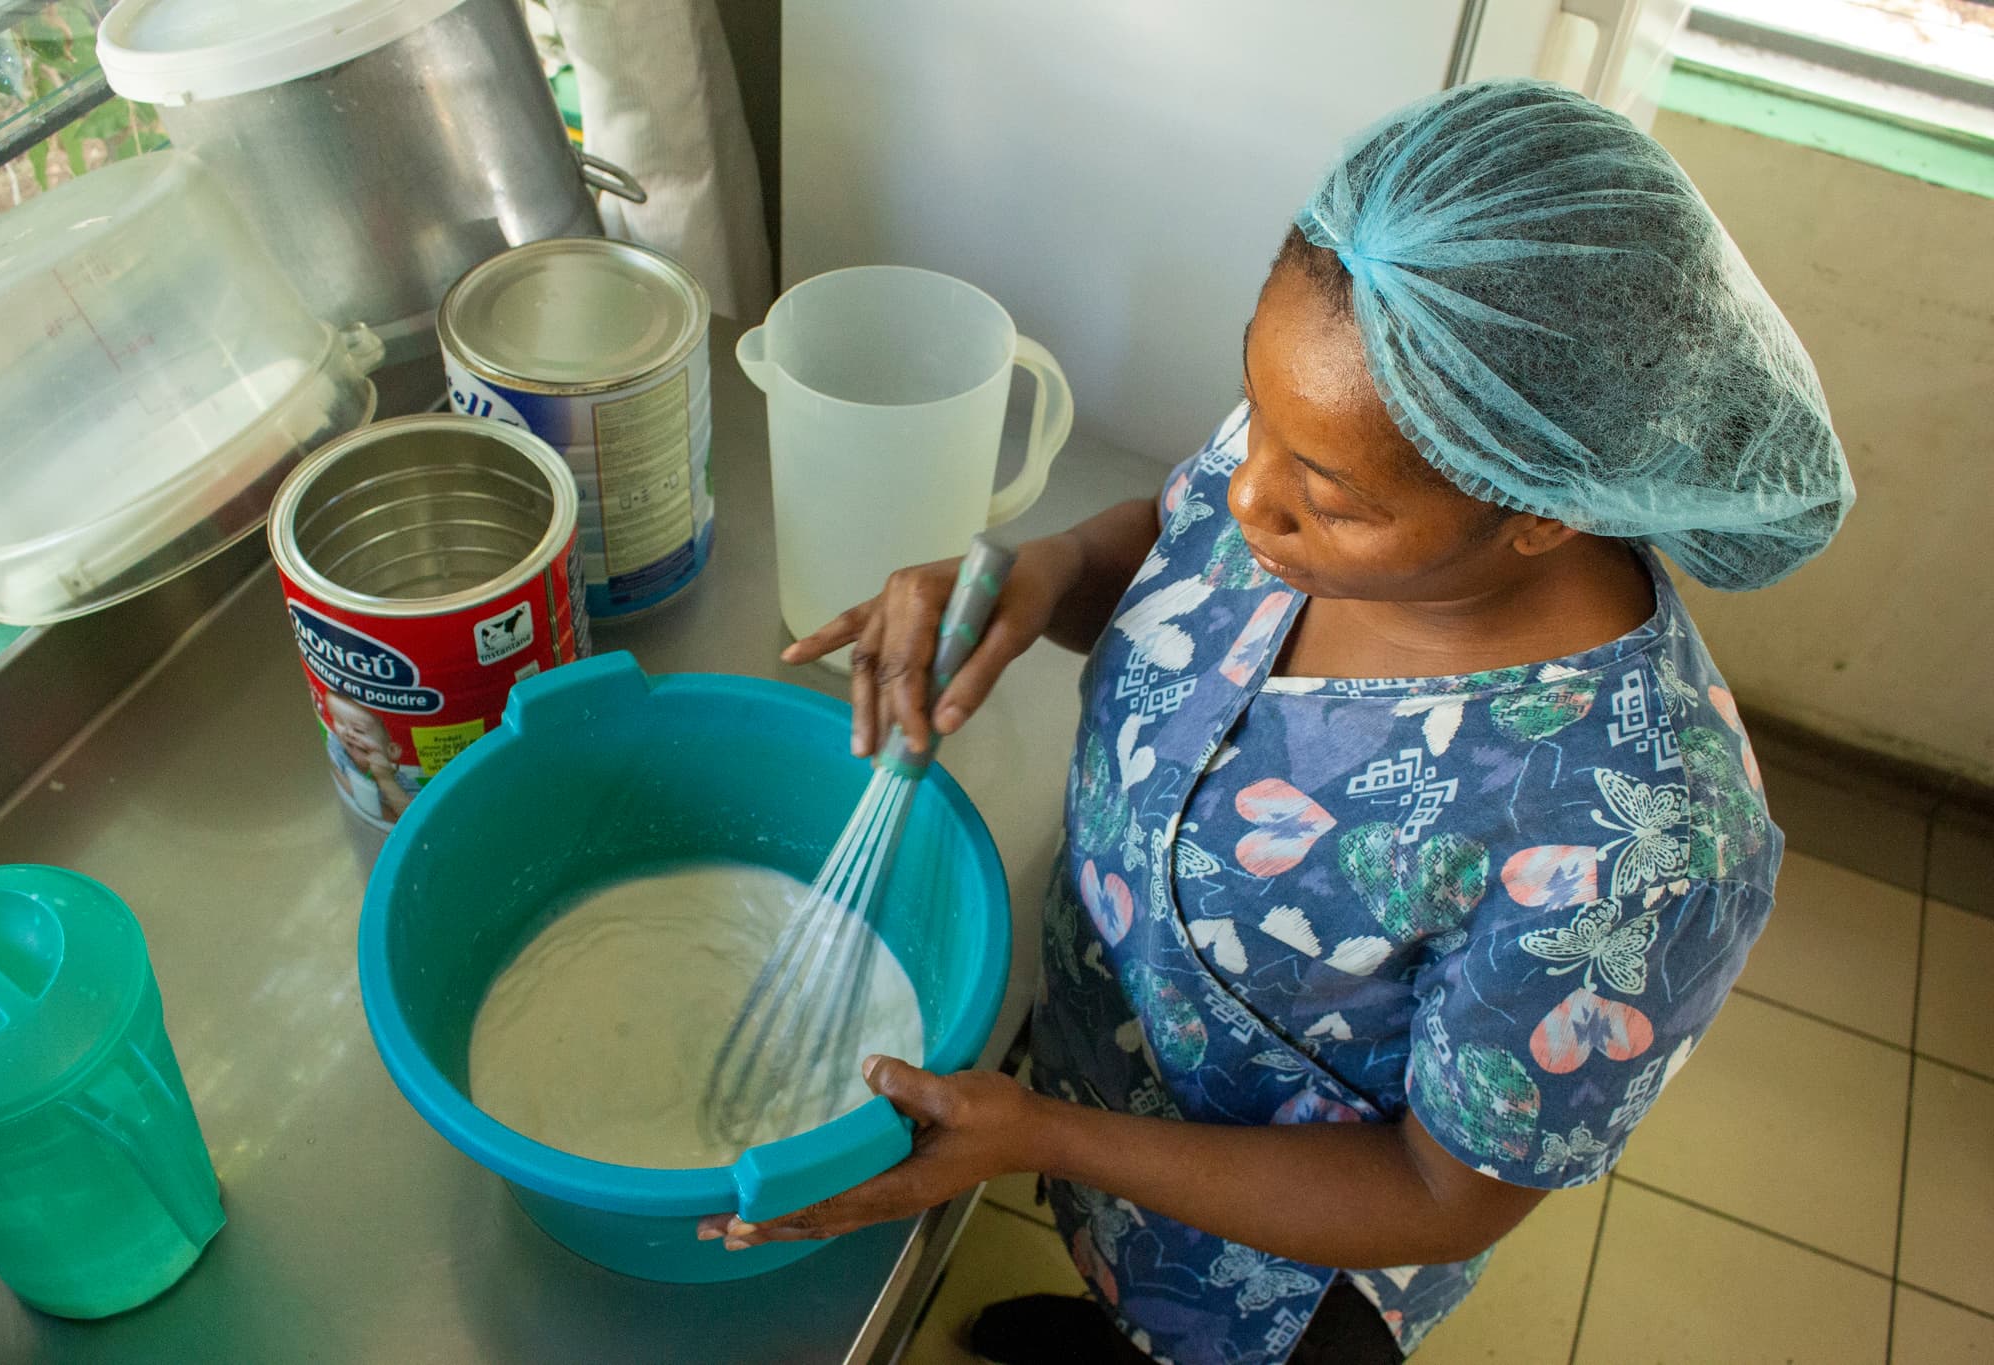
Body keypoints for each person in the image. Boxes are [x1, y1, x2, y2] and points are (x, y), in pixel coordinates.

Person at [701, 79, 1853, 1363]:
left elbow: (1437, 1191)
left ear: (1540, 513)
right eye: (1253, 408)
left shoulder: (1639, 846)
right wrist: (1045, 574)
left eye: (1324, 491)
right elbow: (1182, 541)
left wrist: (1044, 1136)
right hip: (1100, 1092)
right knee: (1114, 1306)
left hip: (1280, 1292)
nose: (1249, 494)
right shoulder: (1318, 444)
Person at [320, 690, 423, 825]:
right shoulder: (338, 749)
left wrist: (387, 781)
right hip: (356, 822)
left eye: (359, 730)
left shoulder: (402, 783)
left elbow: (416, 819)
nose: (349, 733)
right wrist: (387, 812)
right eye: (339, 722)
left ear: (392, 750)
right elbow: (345, 787)